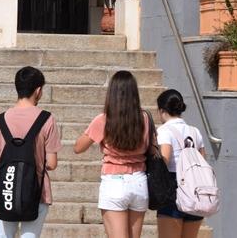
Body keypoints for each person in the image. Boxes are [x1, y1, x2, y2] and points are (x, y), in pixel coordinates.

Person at [75, 70, 151, 238]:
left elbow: (78, 147)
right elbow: (150, 147)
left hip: (114, 182)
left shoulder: (104, 119)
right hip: (139, 181)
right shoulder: (144, 118)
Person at [0, 67, 60, 238]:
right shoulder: (46, 119)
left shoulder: (0, 120)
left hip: (7, 188)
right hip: (37, 192)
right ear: (38, 90)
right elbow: (51, 163)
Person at [154, 89, 205, 238]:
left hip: (173, 190)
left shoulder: (164, 130)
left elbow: (165, 157)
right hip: (195, 190)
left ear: (162, 110)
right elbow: (202, 160)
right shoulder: (195, 131)